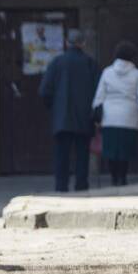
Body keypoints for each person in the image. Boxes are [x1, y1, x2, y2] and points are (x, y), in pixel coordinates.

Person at [38, 29, 99, 192]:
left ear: (66, 43)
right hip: (84, 117)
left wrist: (54, 107)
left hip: (62, 118)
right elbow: (98, 92)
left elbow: (44, 91)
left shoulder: (57, 62)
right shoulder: (90, 63)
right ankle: (81, 186)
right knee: (82, 155)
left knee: (61, 155)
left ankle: (61, 186)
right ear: (83, 43)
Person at [92, 41, 138, 186]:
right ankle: (122, 178)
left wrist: (98, 116)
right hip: (129, 118)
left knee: (111, 151)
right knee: (125, 152)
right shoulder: (137, 74)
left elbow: (99, 97)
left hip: (109, 118)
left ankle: (113, 178)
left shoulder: (107, 72)